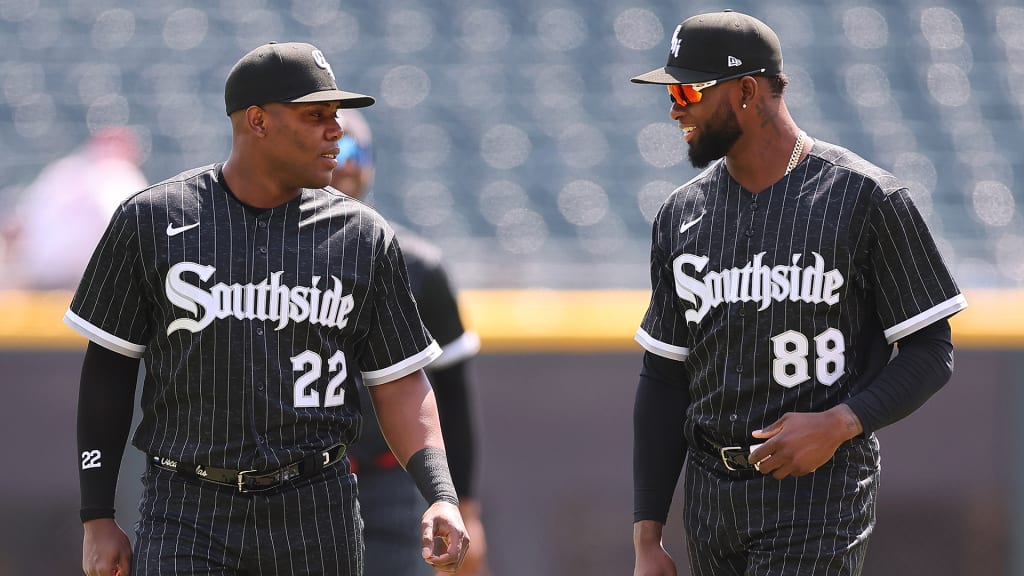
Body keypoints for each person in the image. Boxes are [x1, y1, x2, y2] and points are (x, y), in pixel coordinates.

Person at [67, 41, 469, 576]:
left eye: (336, 115)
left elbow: (399, 382)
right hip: (187, 506)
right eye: (316, 115)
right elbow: (108, 372)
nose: (337, 131)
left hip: (315, 509)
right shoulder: (153, 220)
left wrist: (440, 493)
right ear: (257, 121)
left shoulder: (363, 236)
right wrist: (97, 515)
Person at [628, 10, 967, 576]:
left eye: (687, 89)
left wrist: (842, 422)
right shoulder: (680, 214)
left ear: (746, 91)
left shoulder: (865, 198)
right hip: (712, 502)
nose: (674, 107)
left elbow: (932, 349)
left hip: (819, 493)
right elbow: (664, 376)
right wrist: (647, 536)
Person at [330, 110, 489, 576]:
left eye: (356, 151)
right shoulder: (264, 260)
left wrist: (467, 508)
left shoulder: (417, 265)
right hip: (299, 479)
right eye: (335, 148)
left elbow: (452, 399)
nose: (344, 163)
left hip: (391, 482)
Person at [3, 127, 146, 289]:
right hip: (83, 282)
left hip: (40, 273)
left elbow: (18, 222)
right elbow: (124, 223)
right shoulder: (120, 173)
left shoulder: (64, 169)